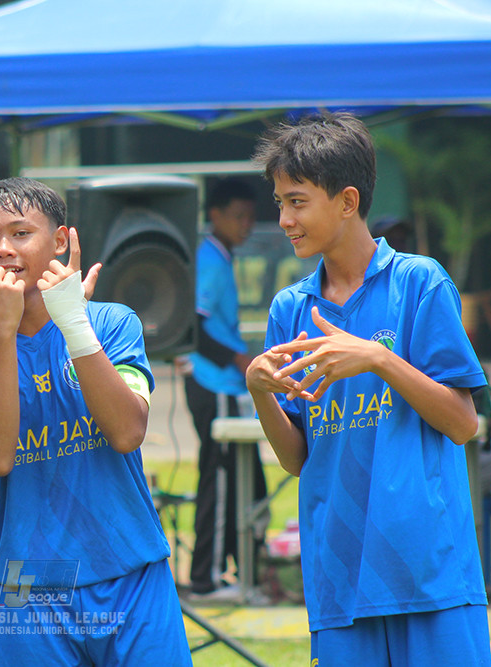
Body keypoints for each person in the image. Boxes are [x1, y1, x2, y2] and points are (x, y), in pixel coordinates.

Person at [247, 112, 491, 665]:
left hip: (430, 574)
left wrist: (379, 359)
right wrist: (260, 391)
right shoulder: (291, 308)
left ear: (348, 201)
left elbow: (462, 423)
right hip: (339, 577)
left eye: (297, 201)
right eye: (279, 202)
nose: (284, 219)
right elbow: (295, 459)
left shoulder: (419, 282)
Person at [0, 177, 192, 666]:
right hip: (27, 581)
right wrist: (2, 335)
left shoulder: (112, 322)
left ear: (60, 242)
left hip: (129, 568)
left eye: (20, 233)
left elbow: (127, 432)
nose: (4, 250)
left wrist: (74, 324)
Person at [181, 177, 268, 597]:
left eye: (252, 217)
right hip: (211, 380)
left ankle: (235, 568)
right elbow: (192, 325)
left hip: (223, 382)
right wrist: (240, 359)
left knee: (235, 474)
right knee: (217, 475)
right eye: (239, 216)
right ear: (214, 215)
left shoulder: (221, 256)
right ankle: (206, 578)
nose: (247, 225)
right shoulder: (209, 259)